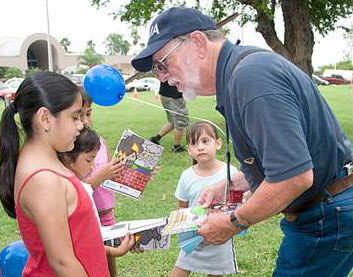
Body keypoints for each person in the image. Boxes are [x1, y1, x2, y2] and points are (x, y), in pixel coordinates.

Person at [131, 7, 353, 276]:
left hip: (325, 215)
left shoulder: (250, 77)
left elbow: (295, 176)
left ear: (199, 44)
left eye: (162, 63)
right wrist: (233, 182)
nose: (162, 76)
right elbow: (289, 156)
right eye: (157, 70)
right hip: (324, 209)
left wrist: (233, 222)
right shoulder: (240, 72)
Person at [0, 72, 114, 276]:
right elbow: (62, 262)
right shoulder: (43, 179)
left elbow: (77, 237)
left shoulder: (48, 160)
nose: (81, 124)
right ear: (44, 118)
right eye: (74, 117)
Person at [58, 127, 135, 270]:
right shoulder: (73, 193)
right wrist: (115, 251)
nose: (93, 166)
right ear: (67, 159)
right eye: (89, 160)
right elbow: (79, 243)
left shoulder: (81, 188)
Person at [171, 121, 237, 277]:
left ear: (218, 143)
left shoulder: (230, 172)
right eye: (194, 143)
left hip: (220, 233)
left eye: (205, 141)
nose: (200, 147)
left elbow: (236, 204)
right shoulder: (187, 175)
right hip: (194, 237)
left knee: (216, 273)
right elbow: (182, 207)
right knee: (180, 269)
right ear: (188, 149)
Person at [78, 89, 123, 277]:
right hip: (89, 216)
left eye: (88, 114)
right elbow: (79, 187)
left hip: (107, 213)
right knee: (93, 257)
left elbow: (110, 169)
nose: (86, 120)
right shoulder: (71, 148)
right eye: (79, 115)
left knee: (109, 258)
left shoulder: (100, 141)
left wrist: (136, 172)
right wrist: (101, 175)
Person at [150, 81, 189, 153]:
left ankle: (156, 138)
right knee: (180, 122)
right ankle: (176, 147)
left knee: (172, 122)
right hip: (174, 96)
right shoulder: (173, 69)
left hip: (166, 95)